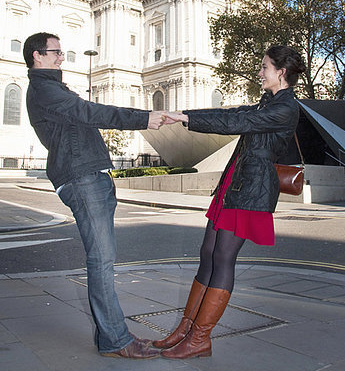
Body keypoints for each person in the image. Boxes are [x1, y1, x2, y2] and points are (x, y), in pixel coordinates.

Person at [155, 45, 306, 359]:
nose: (260, 72)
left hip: (251, 190)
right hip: (234, 184)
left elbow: (234, 124)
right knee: (207, 253)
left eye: (264, 67)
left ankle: (200, 338)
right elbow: (231, 114)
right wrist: (185, 116)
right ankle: (185, 329)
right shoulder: (268, 102)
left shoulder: (286, 108)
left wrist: (185, 117)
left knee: (223, 258)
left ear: (281, 72)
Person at [23, 32, 162, 359]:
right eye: (56, 52)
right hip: (81, 177)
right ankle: (115, 340)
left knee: (104, 259)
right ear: (37, 56)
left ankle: (113, 335)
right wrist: (145, 118)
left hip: (89, 174)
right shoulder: (44, 90)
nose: (62, 57)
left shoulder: (53, 88)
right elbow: (92, 112)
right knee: (101, 261)